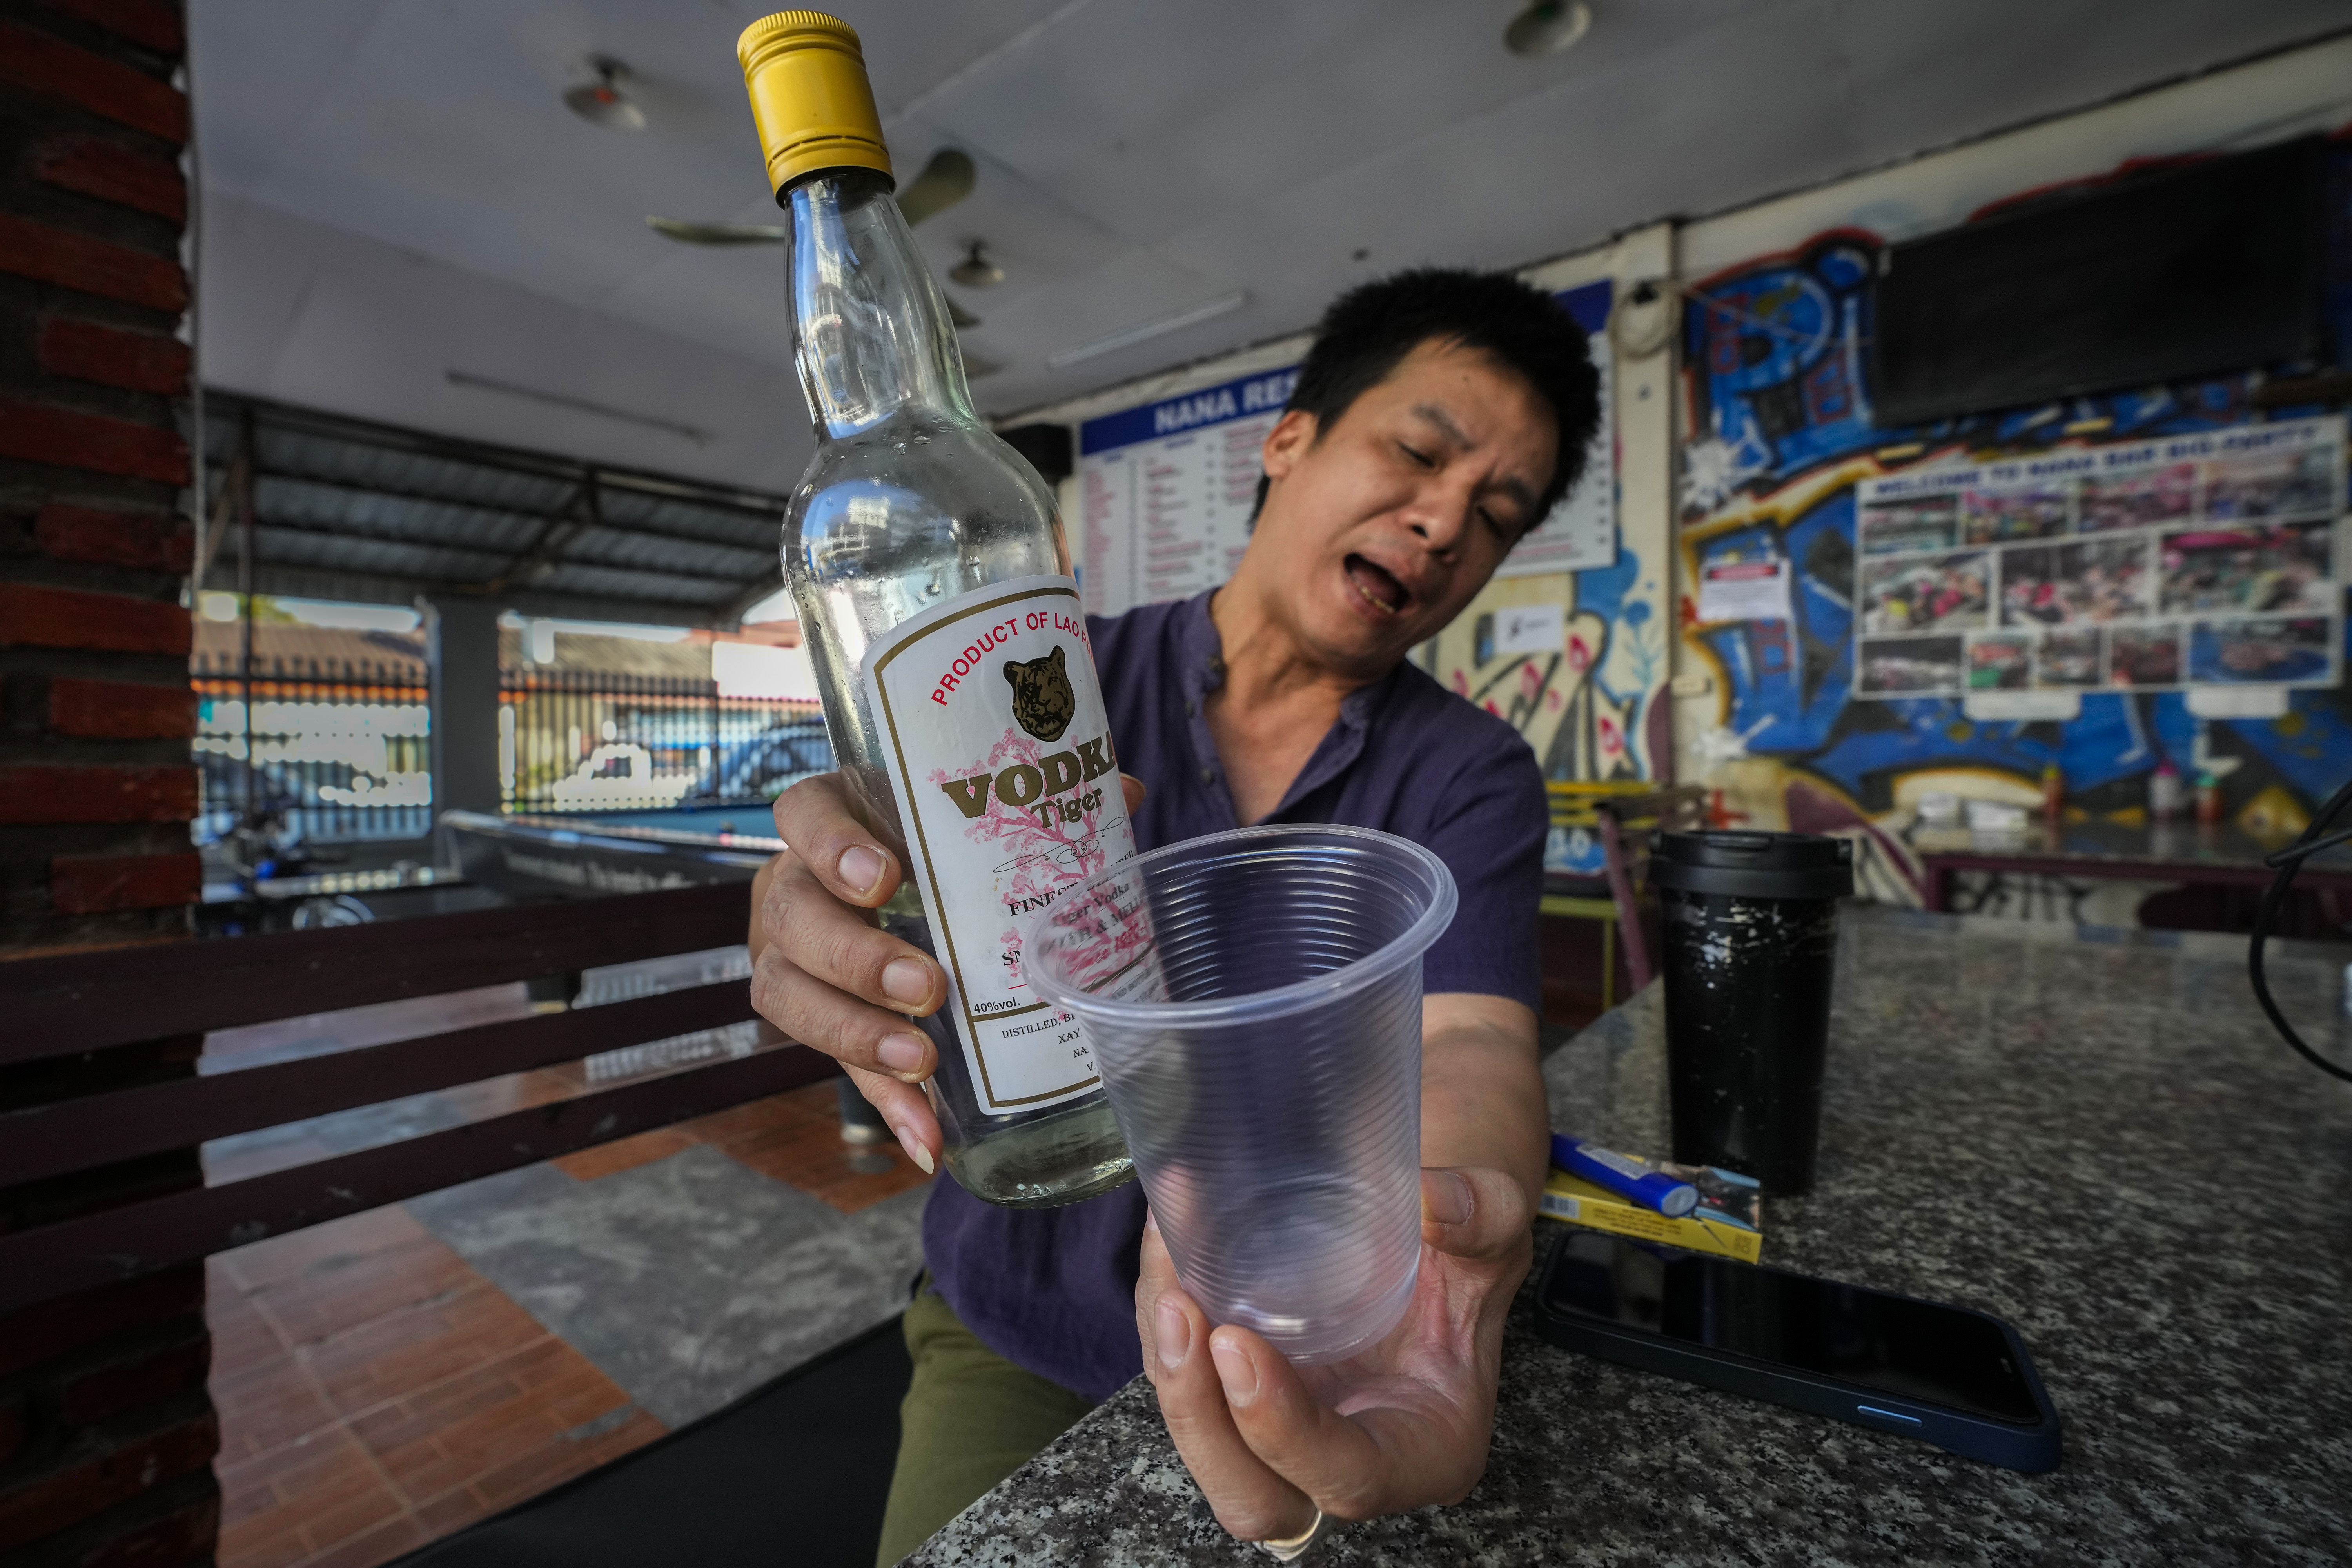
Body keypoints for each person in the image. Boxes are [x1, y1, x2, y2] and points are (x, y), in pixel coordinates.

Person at [747, 267, 1602, 1564]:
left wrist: (1442, 1272)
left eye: (1494, 515)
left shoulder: (1470, 771)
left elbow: (1472, 1043)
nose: (1442, 526)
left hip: (1327, 1336)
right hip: (1015, 1327)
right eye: (1419, 453)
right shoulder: (1045, 680)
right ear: (1290, 440)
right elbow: (884, 863)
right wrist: (844, 900)